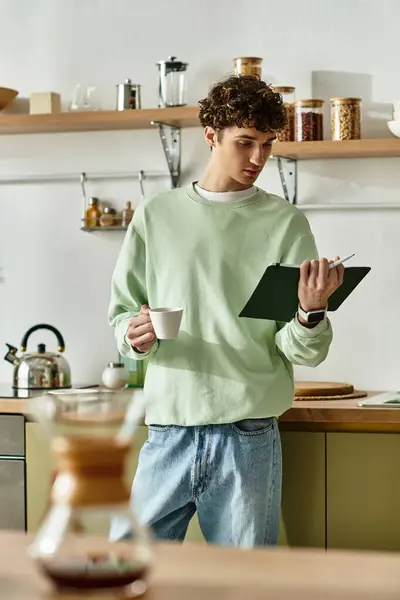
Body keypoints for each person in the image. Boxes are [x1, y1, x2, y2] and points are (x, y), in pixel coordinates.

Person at [108, 74, 344, 548]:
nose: (258, 158)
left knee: (247, 586)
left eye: (267, 144)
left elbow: (301, 350)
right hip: (168, 428)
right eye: (245, 142)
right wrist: (134, 334)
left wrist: (311, 313)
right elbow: (122, 317)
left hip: (247, 436)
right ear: (211, 134)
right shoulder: (156, 217)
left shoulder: (284, 223)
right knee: (124, 567)